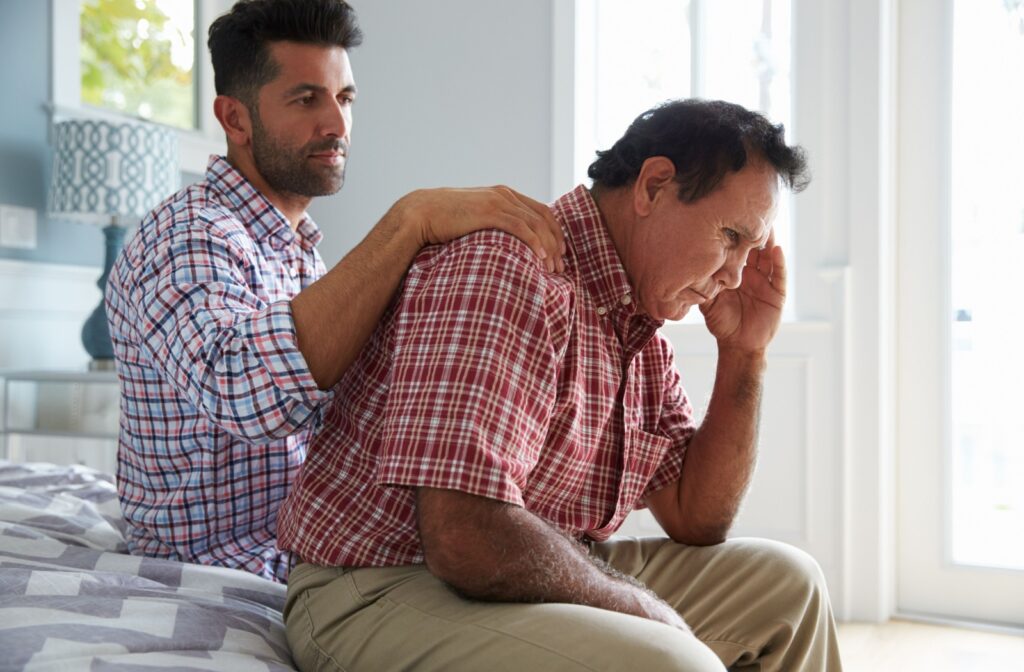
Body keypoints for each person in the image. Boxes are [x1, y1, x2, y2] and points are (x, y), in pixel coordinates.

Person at [277, 98, 843, 671]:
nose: (735, 275)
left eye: (752, 250)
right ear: (653, 187)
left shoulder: (639, 327)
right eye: (729, 236)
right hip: (377, 587)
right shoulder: (505, 271)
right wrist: (637, 608)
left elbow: (697, 516)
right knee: (671, 663)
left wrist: (745, 353)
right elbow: (463, 534)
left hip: (517, 570)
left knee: (789, 589)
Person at [104, 0, 564, 583]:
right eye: (306, 99)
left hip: (311, 554)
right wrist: (409, 220)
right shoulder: (188, 234)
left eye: (344, 98)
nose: (338, 126)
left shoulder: (299, 251)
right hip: (223, 570)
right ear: (235, 119)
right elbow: (244, 393)